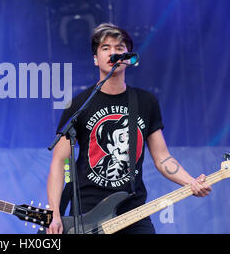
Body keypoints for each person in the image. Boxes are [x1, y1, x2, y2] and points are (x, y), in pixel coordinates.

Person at [46, 23, 211, 234]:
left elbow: (163, 158)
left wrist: (191, 182)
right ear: (95, 58)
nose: (113, 52)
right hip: (87, 213)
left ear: (128, 57)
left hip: (132, 211)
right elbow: (60, 162)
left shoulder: (145, 102)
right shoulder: (78, 104)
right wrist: (55, 214)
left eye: (119, 48)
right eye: (105, 48)